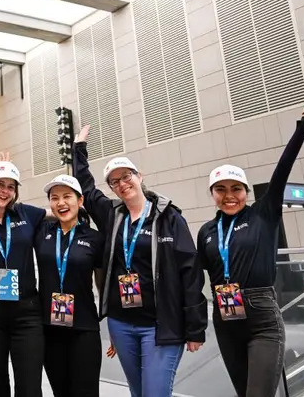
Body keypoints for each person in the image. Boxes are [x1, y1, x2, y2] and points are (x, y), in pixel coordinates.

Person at [197, 91, 304, 397]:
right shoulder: (207, 231)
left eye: (236, 188)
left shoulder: (264, 213)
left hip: (262, 318)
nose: (229, 195)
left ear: (246, 192)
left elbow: (282, 169)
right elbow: (195, 276)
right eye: (220, 189)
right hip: (224, 317)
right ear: (212, 194)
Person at [73, 125, 207, 397]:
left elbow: (190, 272)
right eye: (114, 181)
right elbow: (85, 185)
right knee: (138, 392)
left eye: (127, 176)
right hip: (122, 324)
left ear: (139, 176)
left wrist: (195, 327)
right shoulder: (112, 215)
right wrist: (78, 148)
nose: (122, 184)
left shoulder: (170, 218)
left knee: (154, 393)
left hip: (161, 325)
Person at [0, 153, 51, 397]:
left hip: (26, 312)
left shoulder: (27, 214)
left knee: (29, 388)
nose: (4, 191)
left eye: (10, 187)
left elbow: (59, 209)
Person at [34, 175, 105, 397]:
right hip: (49, 327)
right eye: (54, 198)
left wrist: (110, 320)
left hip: (84, 328)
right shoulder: (41, 232)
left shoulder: (95, 238)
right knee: (60, 391)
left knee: (86, 391)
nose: (61, 203)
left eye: (67, 197)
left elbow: (101, 282)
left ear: (80, 200)